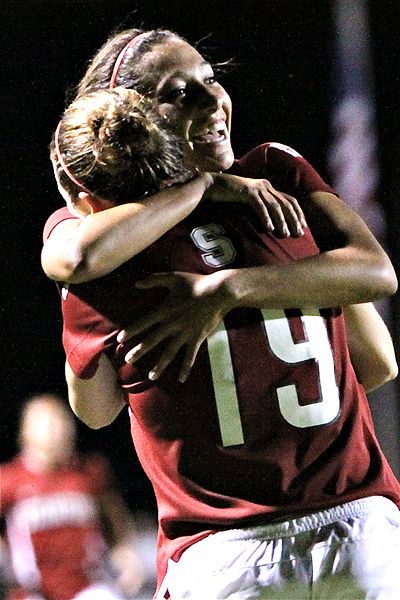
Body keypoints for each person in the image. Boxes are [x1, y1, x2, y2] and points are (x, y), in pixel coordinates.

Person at [41, 29, 400, 599]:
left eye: (209, 79)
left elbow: (95, 408)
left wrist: (224, 290)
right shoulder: (277, 181)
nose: (211, 101)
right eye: (179, 93)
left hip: (224, 553)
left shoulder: (108, 252)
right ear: (139, 118)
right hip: (361, 538)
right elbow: (377, 360)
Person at [0, 393, 146, 600]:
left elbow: (114, 517)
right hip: (33, 592)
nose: (56, 430)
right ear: (25, 431)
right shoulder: (8, 479)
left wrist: (125, 553)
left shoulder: (90, 472)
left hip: (87, 587)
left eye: (61, 421)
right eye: (47, 422)